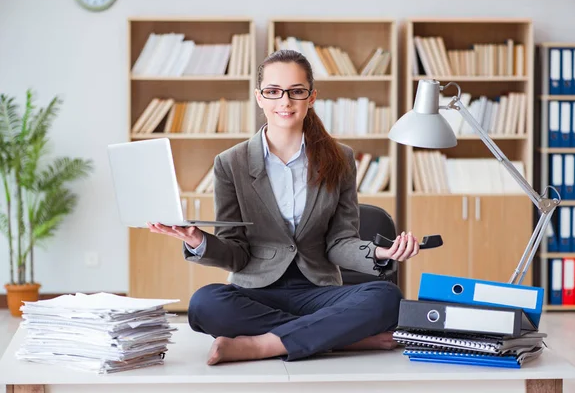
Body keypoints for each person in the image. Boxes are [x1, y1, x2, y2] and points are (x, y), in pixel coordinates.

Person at [147, 49, 420, 366]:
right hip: (257, 292)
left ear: (311, 97)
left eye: (296, 91)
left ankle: (262, 345)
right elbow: (236, 251)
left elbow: (339, 242)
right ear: (259, 98)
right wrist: (197, 240)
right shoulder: (230, 163)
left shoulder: (340, 158)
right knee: (205, 304)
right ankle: (344, 339)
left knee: (387, 299)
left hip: (319, 292)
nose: (285, 102)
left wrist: (379, 253)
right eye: (273, 92)